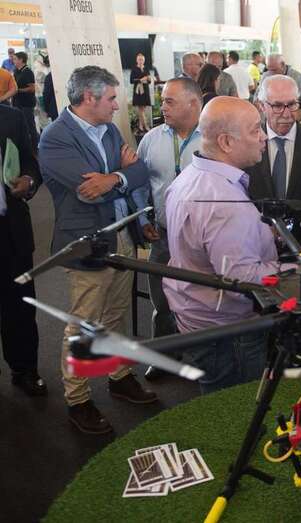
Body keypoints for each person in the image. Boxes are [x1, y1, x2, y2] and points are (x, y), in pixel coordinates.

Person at [39, 66, 155, 434]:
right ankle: (78, 399)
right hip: (85, 240)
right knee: (84, 322)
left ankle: (119, 376)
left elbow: (140, 172)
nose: (116, 105)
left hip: (121, 235)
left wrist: (115, 178)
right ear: (89, 97)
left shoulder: (109, 129)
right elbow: (89, 191)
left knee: (117, 313)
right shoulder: (55, 138)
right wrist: (122, 176)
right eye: (111, 98)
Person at [163, 96, 295, 394]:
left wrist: (259, 234)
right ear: (226, 142)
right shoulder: (225, 203)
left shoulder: (190, 176)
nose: (263, 137)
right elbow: (241, 277)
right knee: (237, 406)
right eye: (255, 130)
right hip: (228, 329)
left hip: (195, 314)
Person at [131, 78, 202, 343]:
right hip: (162, 236)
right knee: (162, 304)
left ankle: (198, 357)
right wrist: (142, 217)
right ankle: (162, 355)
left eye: (169, 102)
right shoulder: (151, 139)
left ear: (193, 103)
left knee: (201, 304)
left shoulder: (214, 139)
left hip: (202, 241)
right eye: (163, 101)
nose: (163, 107)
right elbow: (139, 184)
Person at [246, 75, 301, 248]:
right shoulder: (246, 142)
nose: (286, 114)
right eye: (277, 106)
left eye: (291, 104)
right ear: (261, 106)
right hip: (255, 241)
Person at [0, 104, 46, 396]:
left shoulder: (11, 117)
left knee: (20, 305)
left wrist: (28, 180)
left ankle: (24, 368)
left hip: (11, 230)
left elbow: (31, 162)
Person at [12, 52, 38, 149]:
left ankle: (35, 147)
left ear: (21, 60)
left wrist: (18, 90)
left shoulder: (28, 72)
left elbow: (32, 88)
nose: (13, 61)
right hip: (17, 103)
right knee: (20, 126)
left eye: (15, 59)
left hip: (26, 104)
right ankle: (25, 147)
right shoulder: (16, 71)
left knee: (29, 126)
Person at [130, 53, 152, 132]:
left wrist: (148, 79)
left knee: (142, 109)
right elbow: (131, 81)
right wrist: (141, 80)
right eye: (139, 59)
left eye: (142, 59)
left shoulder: (146, 68)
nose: (141, 61)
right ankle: (145, 126)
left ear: (144, 60)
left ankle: (140, 125)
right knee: (141, 109)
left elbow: (149, 81)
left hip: (145, 90)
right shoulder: (134, 69)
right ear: (137, 60)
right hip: (138, 91)